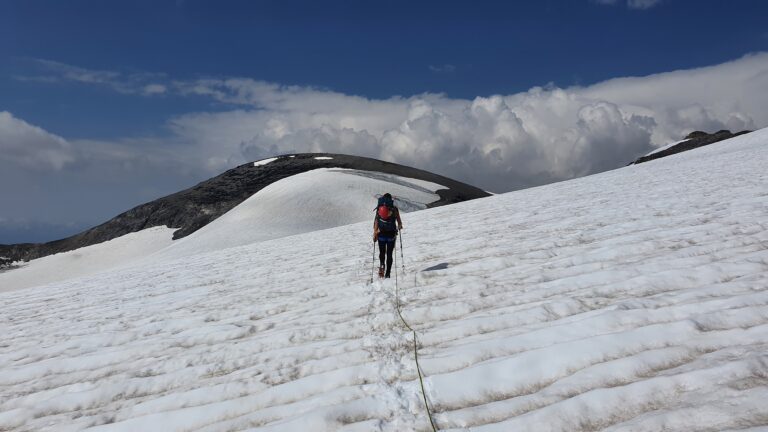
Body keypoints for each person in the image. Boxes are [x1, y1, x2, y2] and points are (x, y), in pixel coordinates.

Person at [373, 193, 403, 278]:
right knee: (389, 253)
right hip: (391, 235)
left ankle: (382, 265)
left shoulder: (379, 209)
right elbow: (399, 223)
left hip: (381, 235)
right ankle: (388, 273)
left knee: (382, 252)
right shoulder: (394, 209)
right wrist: (399, 227)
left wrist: (375, 233)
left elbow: (376, 222)